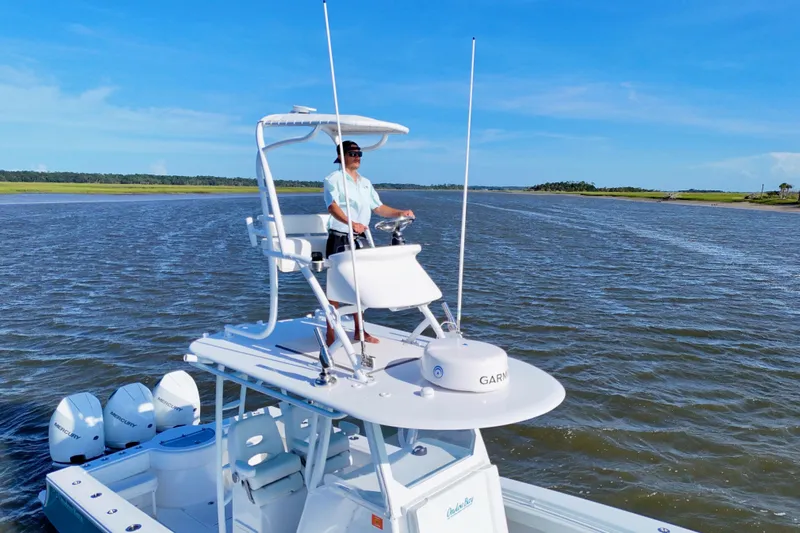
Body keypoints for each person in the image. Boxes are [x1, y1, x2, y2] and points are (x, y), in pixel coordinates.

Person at [323, 140, 414, 346]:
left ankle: (359, 331)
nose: (357, 157)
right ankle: (330, 333)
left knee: (359, 286)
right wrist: (351, 222)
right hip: (340, 236)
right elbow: (332, 207)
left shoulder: (365, 183)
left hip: (360, 238)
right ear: (342, 156)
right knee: (334, 290)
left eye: (359, 154)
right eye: (352, 153)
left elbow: (378, 207)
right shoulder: (333, 179)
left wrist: (400, 212)